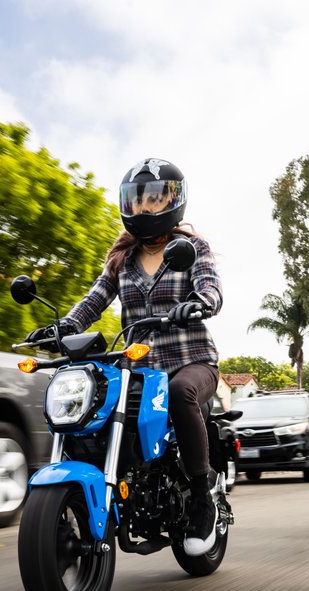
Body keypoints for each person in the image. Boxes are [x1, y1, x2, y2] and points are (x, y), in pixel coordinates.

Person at [25, 157, 223, 556]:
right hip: (140, 369)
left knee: (182, 392)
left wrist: (200, 302)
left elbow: (211, 288)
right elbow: (94, 300)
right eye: (135, 200)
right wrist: (62, 327)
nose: (143, 208)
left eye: (153, 199)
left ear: (173, 200)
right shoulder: (122, 259)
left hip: (192, 362)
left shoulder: (191, 248)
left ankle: (203, 501)